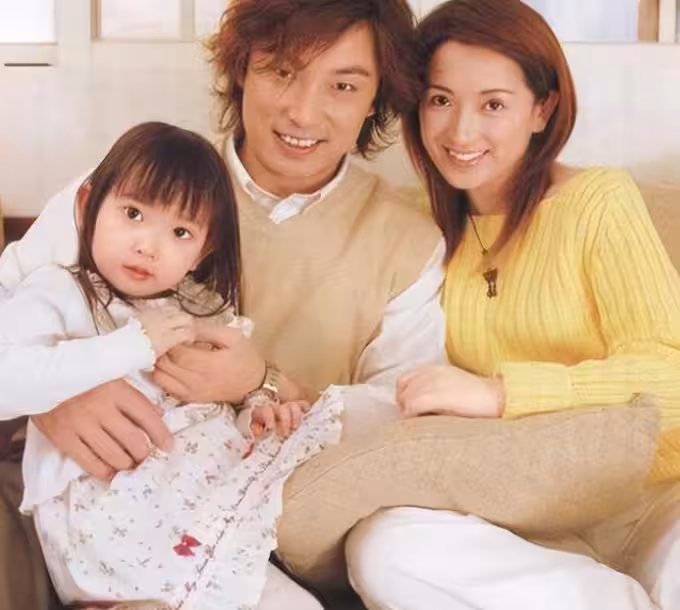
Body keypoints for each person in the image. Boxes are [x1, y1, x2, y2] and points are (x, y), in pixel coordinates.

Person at [0, 1, 444, 607]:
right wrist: (57, 393)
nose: (303, 111)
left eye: (343, 85)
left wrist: (264, 382)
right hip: (87, 506)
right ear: (241, 68)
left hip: (259, 520)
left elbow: (406, 415)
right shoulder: (136, 189)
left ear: (375, 99)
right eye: (282, 71)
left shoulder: (408, 242)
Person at [345, 1, 680, 609]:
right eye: (441, 100)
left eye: (493, 104)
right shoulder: (412, 227)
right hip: (518, 516)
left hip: (654, 501)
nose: (460, 132)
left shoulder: (597, 201)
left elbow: (672, 377)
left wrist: (501, 395)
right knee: (381, 549)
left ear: (542, 109)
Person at [0, 121, 343, 609]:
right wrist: (131, 346)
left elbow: (210, 415)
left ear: (204, 250)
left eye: (180, 232)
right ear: (87, 205)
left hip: (204, 517)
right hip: (114, 528)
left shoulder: (198, 309)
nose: (148, 245)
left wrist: (257, 411)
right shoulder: (58, 292)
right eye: (133, 214)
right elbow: (7, 381)